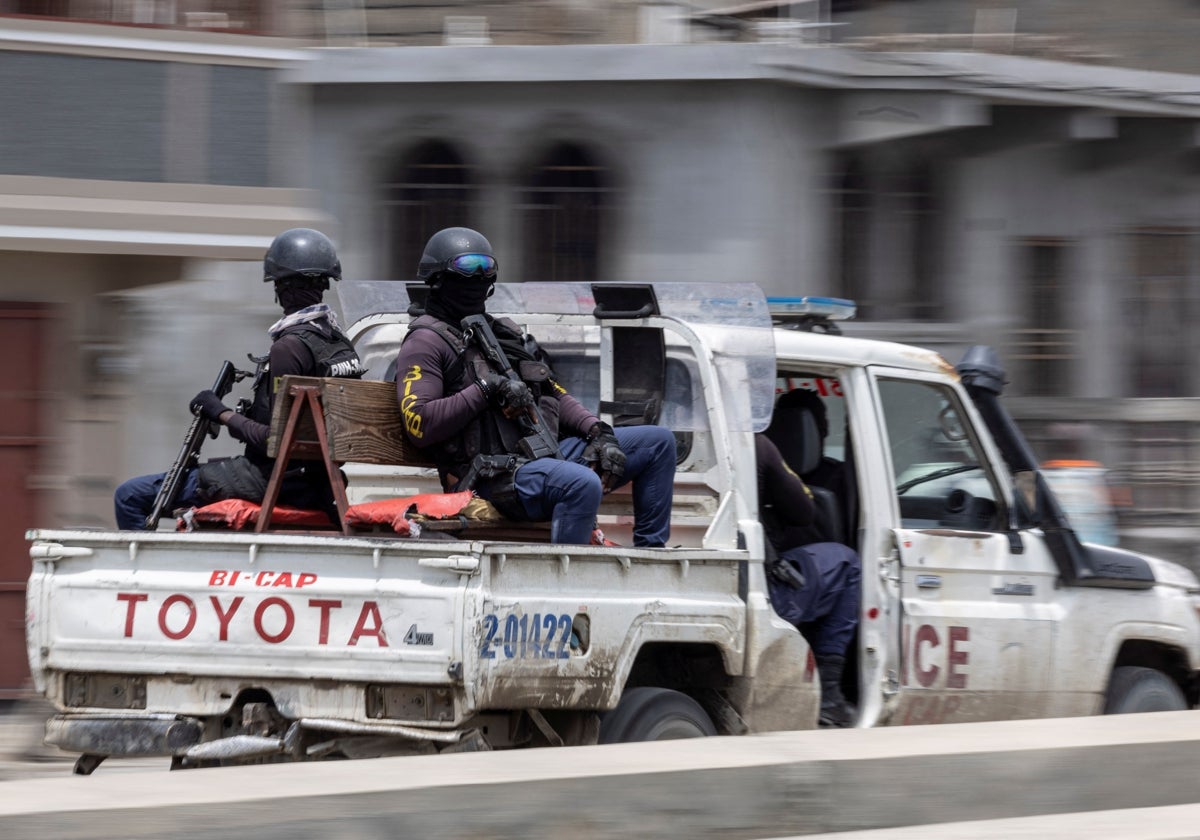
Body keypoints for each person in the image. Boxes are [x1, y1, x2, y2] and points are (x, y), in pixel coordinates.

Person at [393, 226, 677, 546]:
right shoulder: (426, 342)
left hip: (541, 457)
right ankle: (565, 583)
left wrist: (599, 432)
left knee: (658, 443)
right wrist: (486, 389)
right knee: (580, 483)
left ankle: (650, 557)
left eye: (486, 268)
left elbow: (553, 390)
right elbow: (420, 423)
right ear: (439, 278)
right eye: (467, 268)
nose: (478, 276)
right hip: (490, 475)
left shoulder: (503, 336)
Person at [113, 228, 366, 530]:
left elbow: (275, 439)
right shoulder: (341, 345)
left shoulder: (290, 347)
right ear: (324, 283)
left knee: (130, 495)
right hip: (319, 483)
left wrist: (221, 412)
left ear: (280, 288)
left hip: (276, 479)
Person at [756, 429, 861, 728]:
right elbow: (804, 510)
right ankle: (829, 697)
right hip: (762, 588)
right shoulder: (755, 443)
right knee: (847, 562)